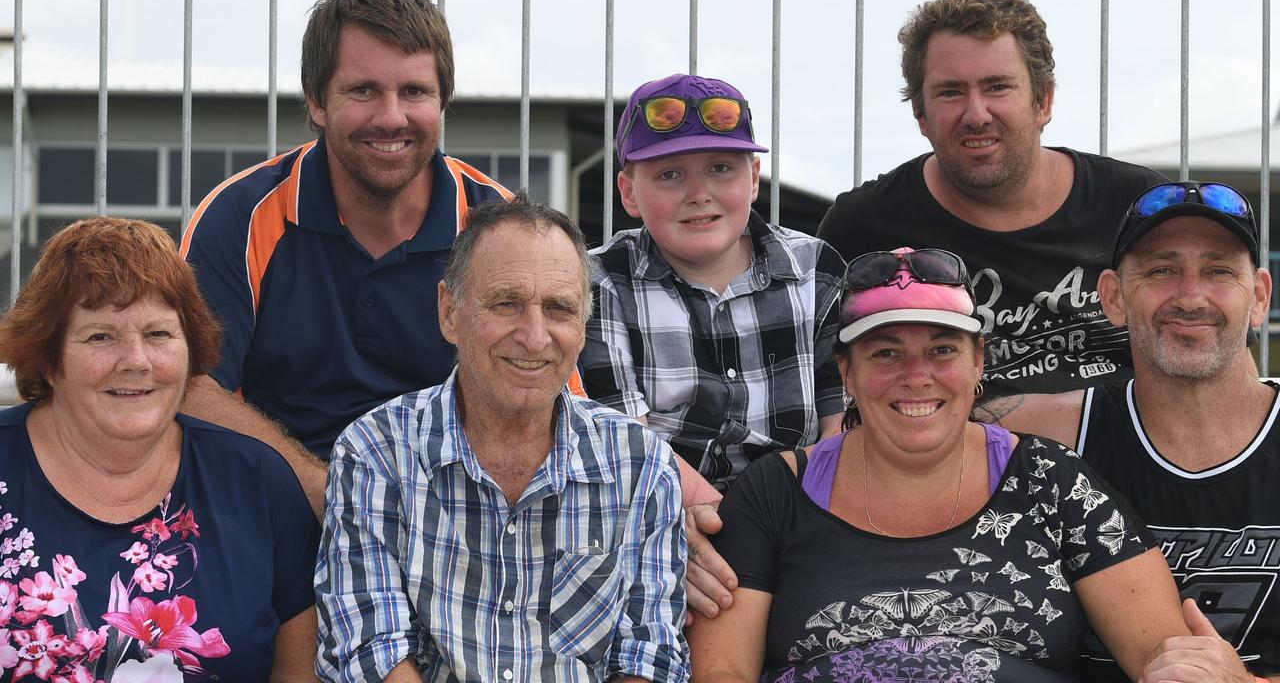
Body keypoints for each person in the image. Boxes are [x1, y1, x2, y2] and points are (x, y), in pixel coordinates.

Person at [687, 246, 1191, 682]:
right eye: (886, 353)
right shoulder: (774, 492)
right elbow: (721, 671)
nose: (917, 376)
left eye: (942, 349)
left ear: (978, 362)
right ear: (846, 372)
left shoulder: (1052, 482)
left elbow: (1160, 652)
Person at [179, 0, 518, 515]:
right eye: (363, 91)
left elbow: (551, 397)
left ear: (443, 101)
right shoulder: (239, 217)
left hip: (458, 514)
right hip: (282, 504)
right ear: (316, 101)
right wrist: (331, 491)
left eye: (414, 92)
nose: (391, 117)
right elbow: (190, 387)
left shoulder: (500, 228)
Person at [315, 197, 688, 683]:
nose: (534, 337)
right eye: (506, 302)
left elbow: (648, 659)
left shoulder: (641, 466)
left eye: (558, 308)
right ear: (450, 312)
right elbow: (371, 653)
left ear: (582, 326)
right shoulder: (376, 453)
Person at [980, 181, 1280, 682]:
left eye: (1219, 271)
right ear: (1113, 298)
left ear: (1259, 297)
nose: (1190, 296)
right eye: (1162, 270)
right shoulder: (1037, 435)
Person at [0, 218, 319, 682]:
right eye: (100, 336)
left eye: (158, 335)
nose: (135, 361)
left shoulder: (257, 483)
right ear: (49, 360)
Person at [817, 0, 1165, 399]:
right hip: (942, 462)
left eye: (998, 87)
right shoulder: (862, 227)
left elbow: (1218, 364)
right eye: (950, 92)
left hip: (1121, 458)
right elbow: (826, 393)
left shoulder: (1139, 206)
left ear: (1043, 101)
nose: (976, 114)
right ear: (920, 115)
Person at [581, 73, 846, 493]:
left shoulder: (815, 269)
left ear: (754, 178)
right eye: (669, 175)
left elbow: (840, 414)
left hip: (801, 498)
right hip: (660, 502)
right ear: (629, 193)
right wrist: (722, 522)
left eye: (721, 168)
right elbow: (625, 435)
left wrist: (801, 515)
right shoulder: (599, 282)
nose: (699, 193)